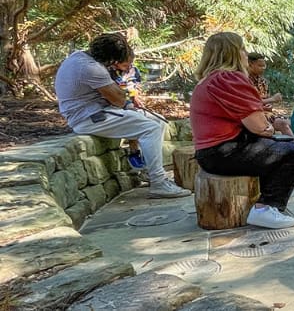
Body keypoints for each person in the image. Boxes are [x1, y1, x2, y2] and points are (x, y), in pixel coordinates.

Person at [190, 32, 294, 229]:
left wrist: (269, 126)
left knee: (281, 145)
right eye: (243, 48)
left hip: (211, 152)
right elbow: (260, 127)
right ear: (233, 53)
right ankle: (265, 208)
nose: (246, 53)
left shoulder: (210, 80)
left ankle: (263, 203)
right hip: (222, 153)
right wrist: (271, 127)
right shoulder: (228, 79)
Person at [54, 33, 191, 198]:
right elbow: (118, 99)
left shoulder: (80, 57)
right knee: (150, 128)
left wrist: (127, 102)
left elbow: (119, 99)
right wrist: (125, 99)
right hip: (90, 117)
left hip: (96, 111)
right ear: (112, 60)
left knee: (158, 122)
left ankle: (148, 170)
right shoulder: (92, 68)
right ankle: (159, 182)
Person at [246, 52, 294, 139]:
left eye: (264, 65)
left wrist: (269, 105)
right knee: (283, 124)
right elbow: (249, 102)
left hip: (267, 113)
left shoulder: (263, 81)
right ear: (250, 64)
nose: (263, 68)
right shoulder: (244, 80)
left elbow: (267, 100)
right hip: (252, 116)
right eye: (260, 66)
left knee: (289, 123)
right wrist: (272, 99)